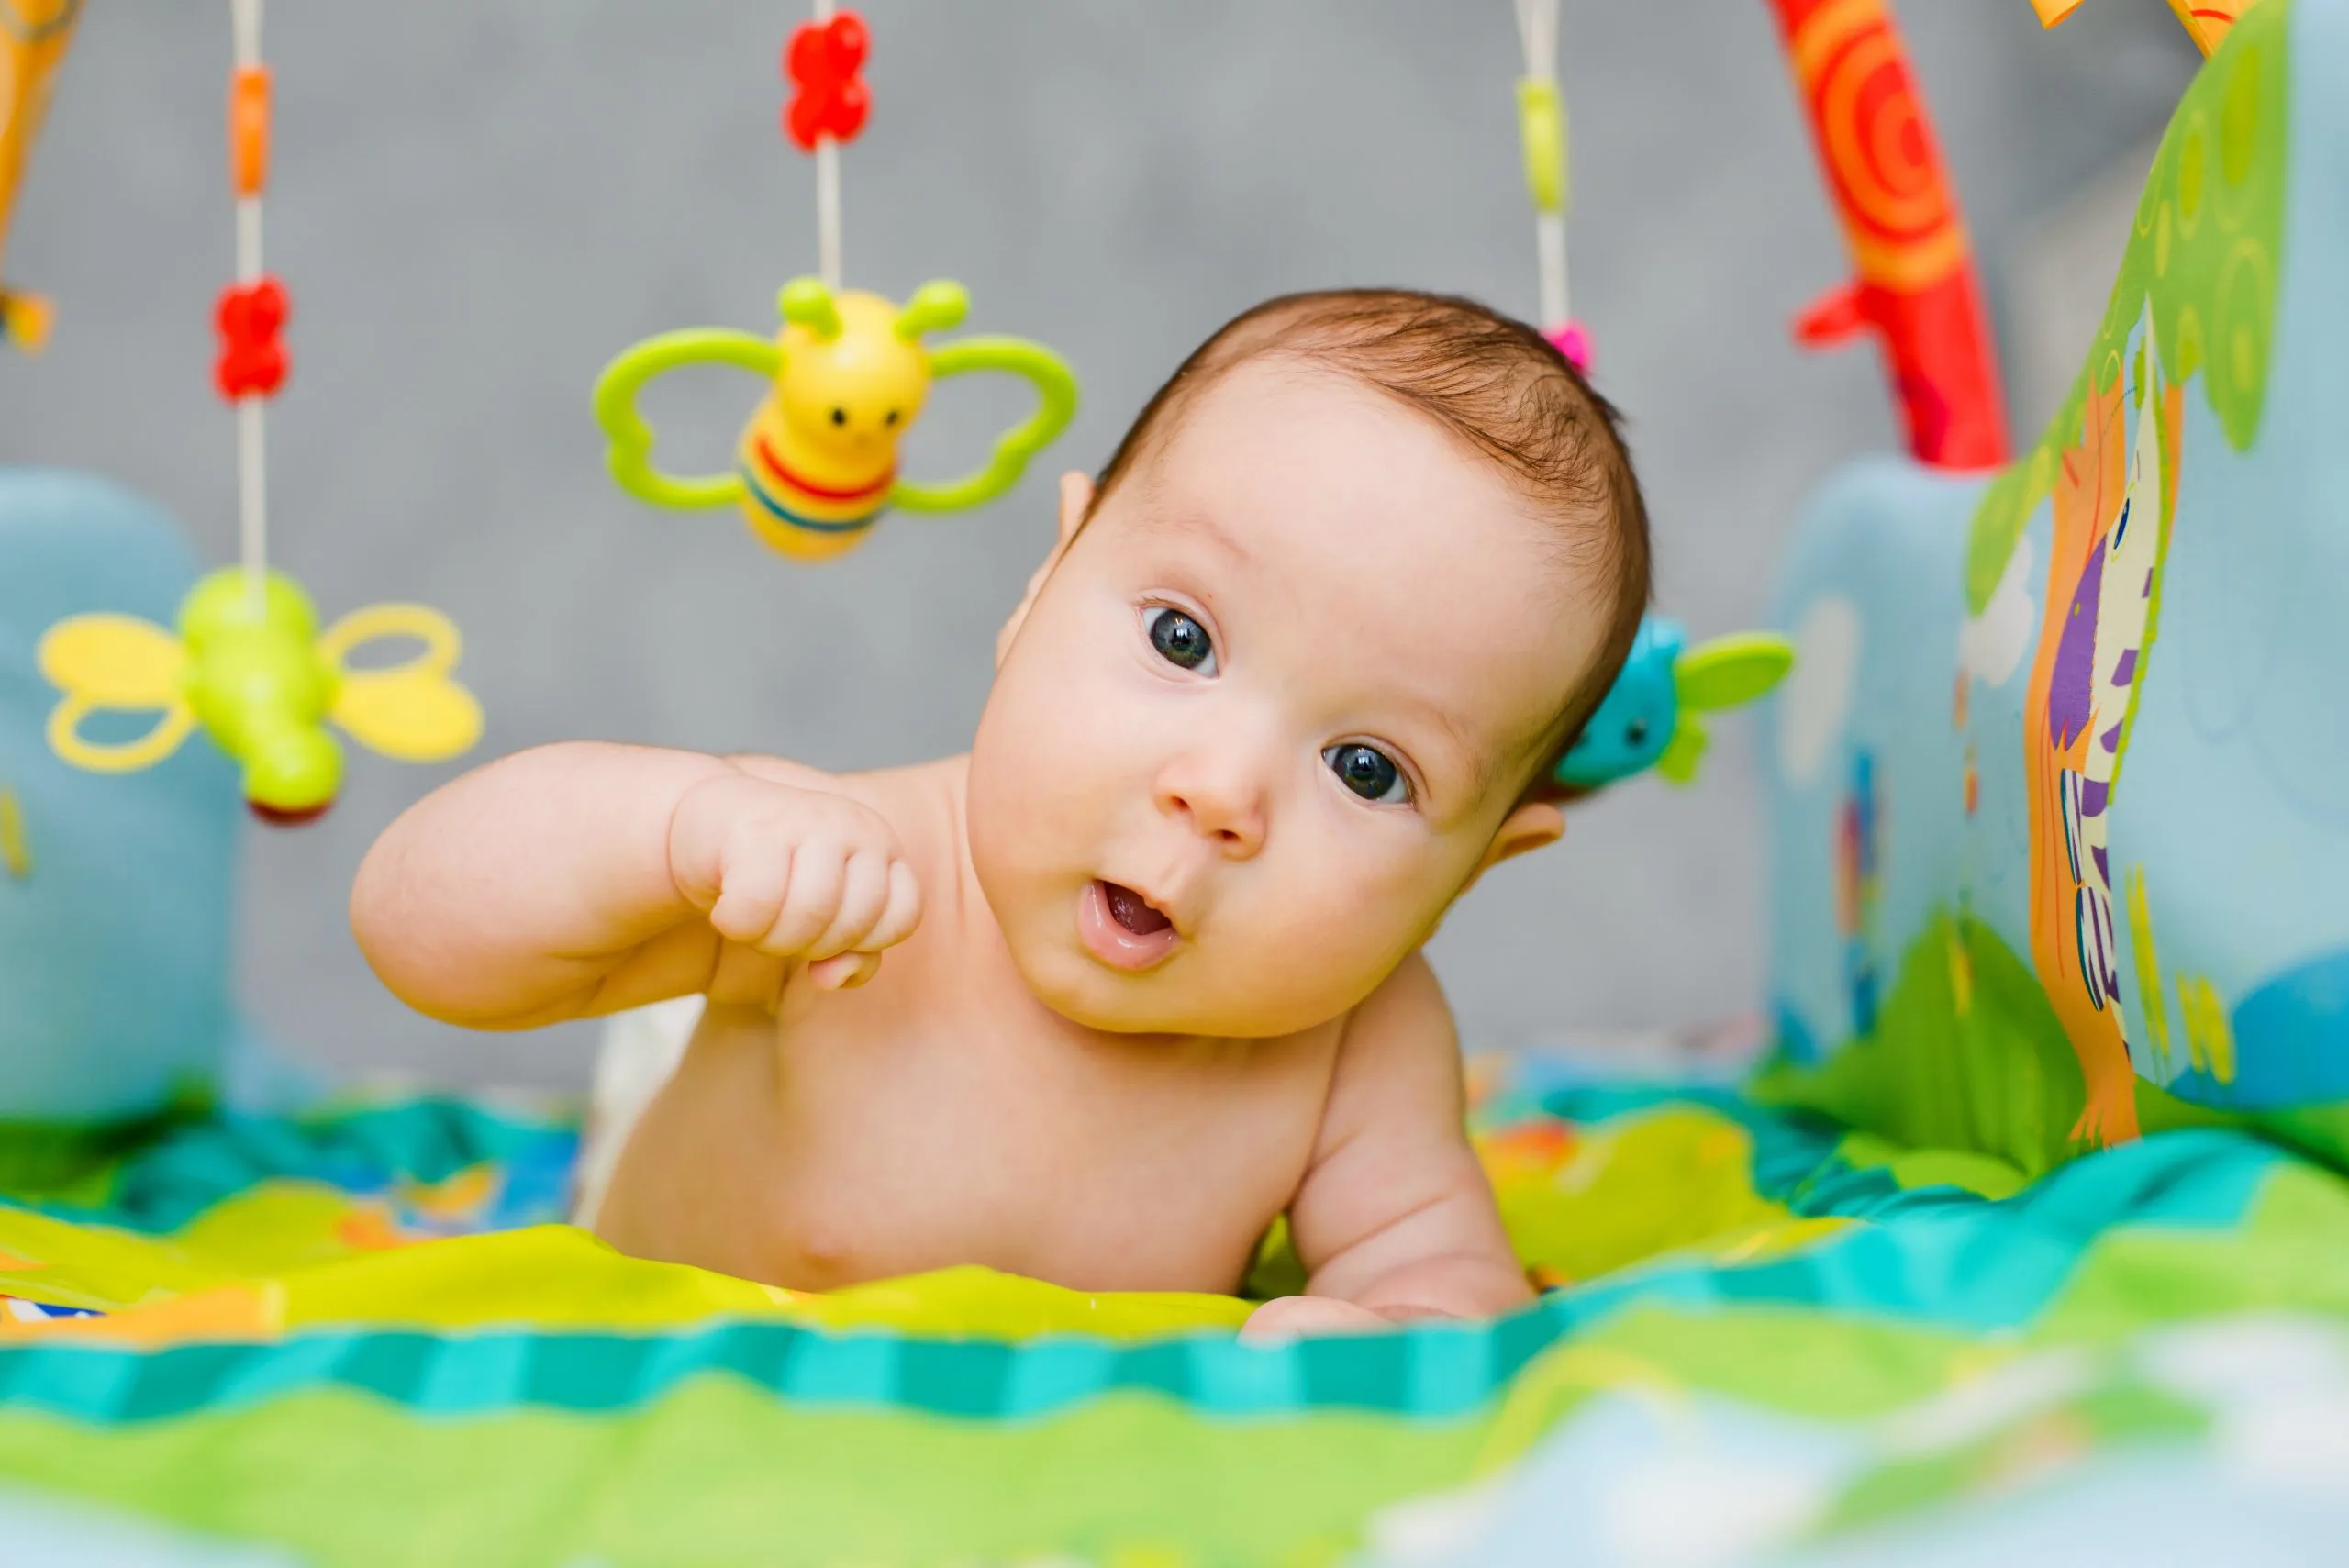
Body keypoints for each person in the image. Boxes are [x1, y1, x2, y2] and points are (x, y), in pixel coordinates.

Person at [351, 288, 1653, 1338]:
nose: (1219, 792)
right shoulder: (841, 881)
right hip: (689, 1279)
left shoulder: (1356, 1043)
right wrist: (680, 825)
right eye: (1185, 639)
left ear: (1480, 865)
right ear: (1047, 580)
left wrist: (1397, 1330)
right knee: (658, 958)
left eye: (1366, 769)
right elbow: (416, 935)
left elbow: (1437, 1267)